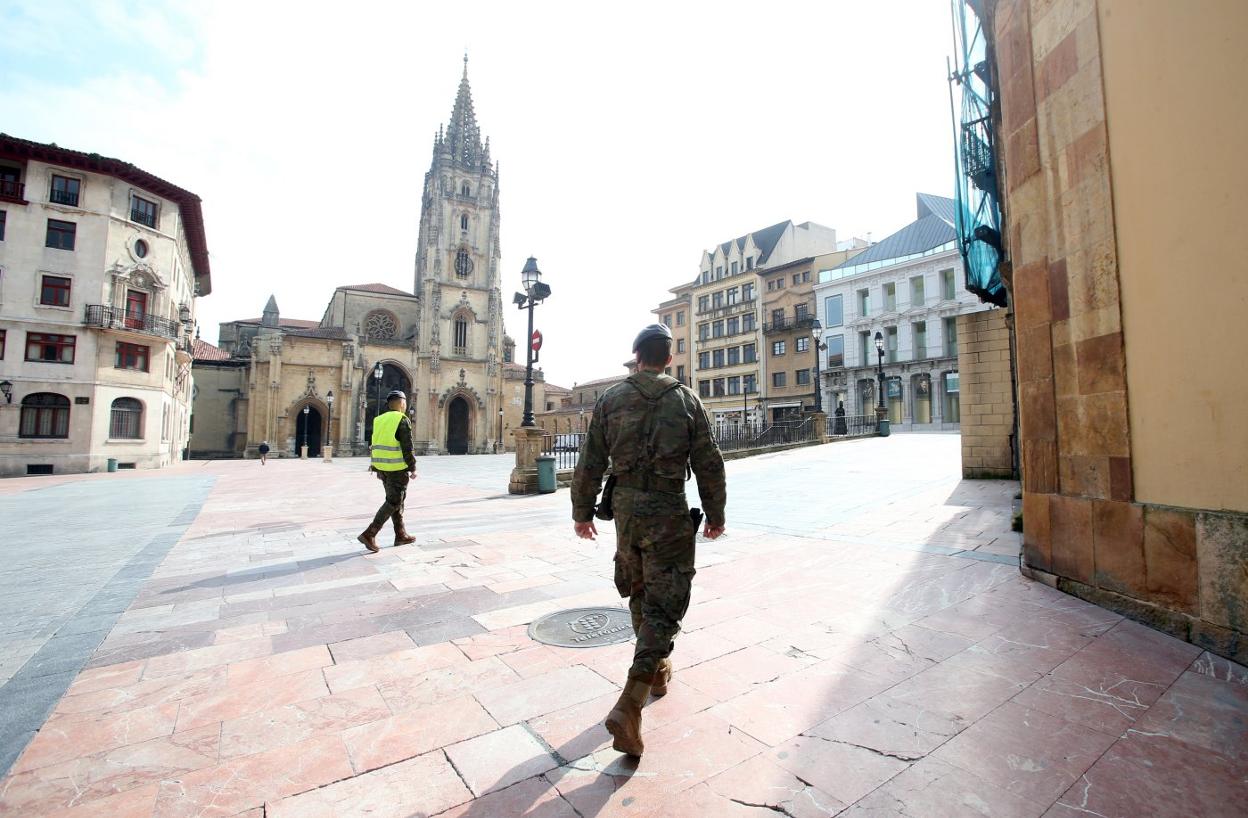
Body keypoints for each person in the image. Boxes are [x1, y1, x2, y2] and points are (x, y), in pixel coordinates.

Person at [571, 323, 726, 757]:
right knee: (666, 601)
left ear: (636, 356)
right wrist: (716, 514)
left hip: (625, 513)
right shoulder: (685, 399)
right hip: (667, 510)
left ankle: (658, 670)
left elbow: (589, 462)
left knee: (640, 590)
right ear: (669, 359)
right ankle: (630, 702)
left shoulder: (610, 398)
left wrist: (582, 512)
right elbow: (709, 463)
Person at [358, 389, 417, 553]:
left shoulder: (379, 420)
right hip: (397, 468)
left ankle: (400, 534)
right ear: (401, 403)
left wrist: (376, 467)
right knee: (394, 501)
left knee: (396, 501)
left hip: (383, 468)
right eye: (404, 402)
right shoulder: (402, 419)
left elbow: (375, 444)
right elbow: (407, 447)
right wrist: (412, 467)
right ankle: (370, 533)